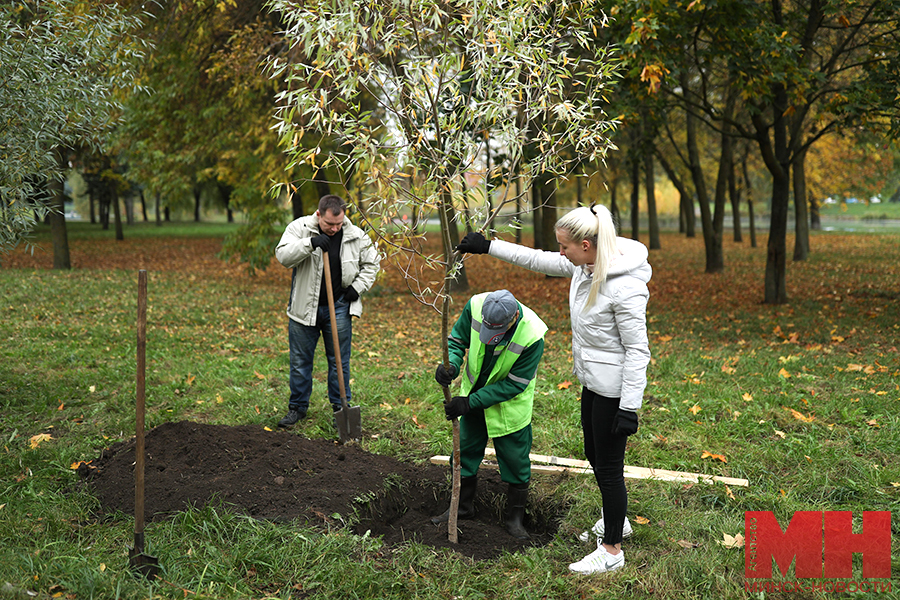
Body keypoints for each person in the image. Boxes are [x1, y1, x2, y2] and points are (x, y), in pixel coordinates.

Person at [456, 204, 651, 574]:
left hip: (614, 392)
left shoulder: (624, 287)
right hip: (592, 381)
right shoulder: (585, 265)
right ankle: (618, 521)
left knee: (609, 468)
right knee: (595, 455)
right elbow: (539, 260)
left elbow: (638, 350)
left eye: (566, 246)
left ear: (588, 244)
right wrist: (489, 246)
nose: (561, 252)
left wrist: (629, 406)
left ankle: (611, 551)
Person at [431, 289, 547, 540]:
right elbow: (458, 340)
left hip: (509, 408)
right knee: (464, 451)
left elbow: (515, 384)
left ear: (514, 317)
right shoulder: (475, 305)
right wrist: (450, 365)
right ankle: (462, 508)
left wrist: (470, 402)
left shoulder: (532, 334)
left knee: (516, 462)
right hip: (472, 399)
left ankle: (515, 520)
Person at [274, 195, 380, 428]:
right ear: (319, 214)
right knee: (300, 361)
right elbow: (282, 255)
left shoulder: (356, 235)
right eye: (329, 224)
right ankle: (297, 408)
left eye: (338, 224)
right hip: (304, 308)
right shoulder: (300, 228)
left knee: (339, 361)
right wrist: (310, 244)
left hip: (339, 307)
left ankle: (340, 407)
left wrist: (357, 288)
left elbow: (372, 264)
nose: (334, 229)